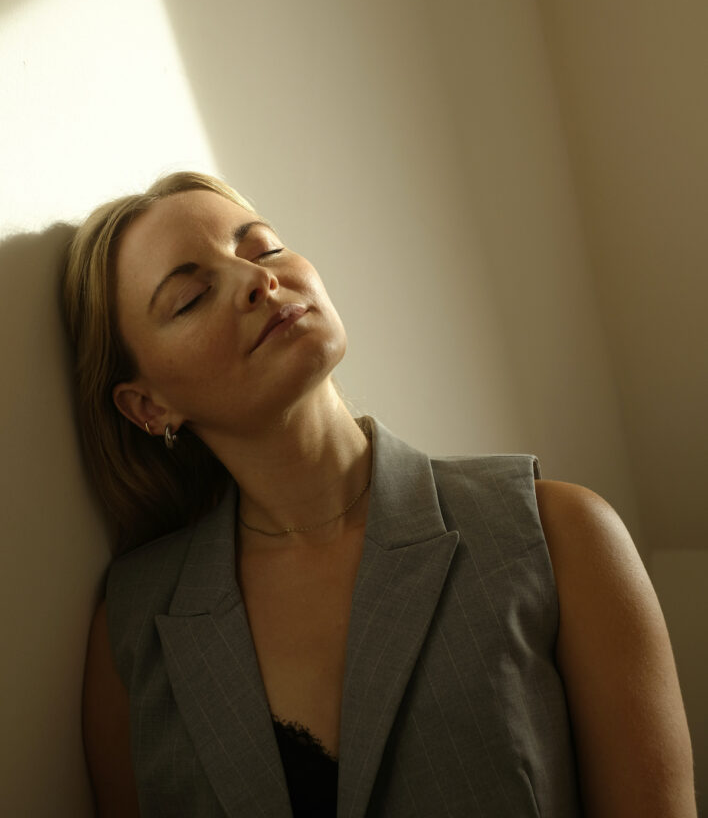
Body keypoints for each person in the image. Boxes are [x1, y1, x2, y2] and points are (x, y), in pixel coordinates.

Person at [62, 171, 696, 818]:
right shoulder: (134, 628)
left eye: (265, 249)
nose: (257, 280)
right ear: (148, 407)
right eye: (192, 297)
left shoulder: (559, 534)